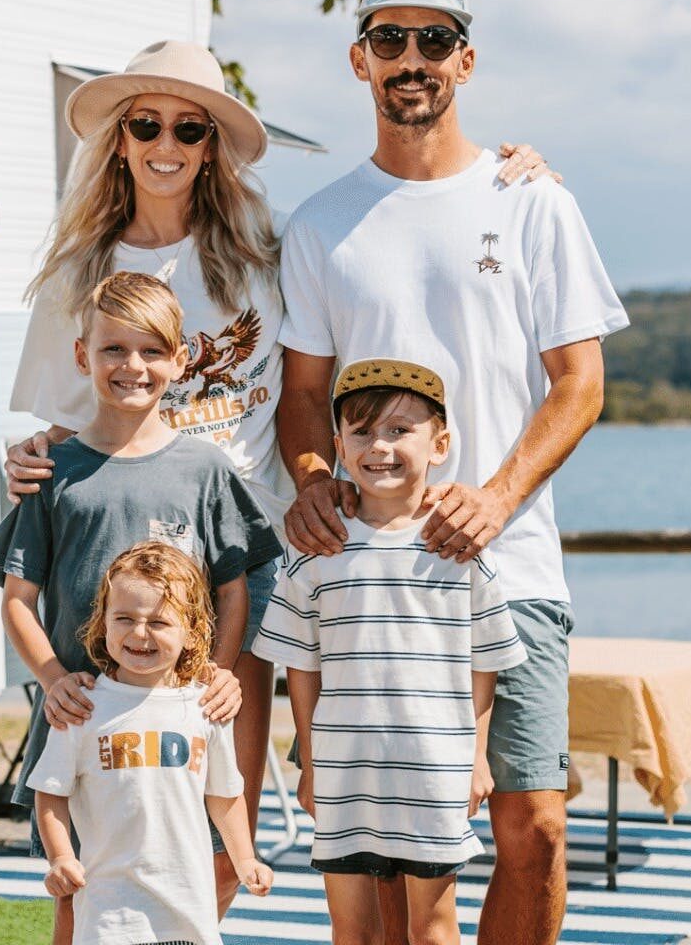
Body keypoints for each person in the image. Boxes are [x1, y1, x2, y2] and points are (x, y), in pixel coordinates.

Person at [1, 39, 555, 906]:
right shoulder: (79, 271)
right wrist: (28, 460)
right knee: (99, 821)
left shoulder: (265, 250)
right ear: (118, 138)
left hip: (236, 564)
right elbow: (58, 426)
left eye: (190, 126)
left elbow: (375, 272)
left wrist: (509, 173)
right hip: (111, 574)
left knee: (225, 818)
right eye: (145, 122)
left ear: (214, 144)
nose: (167, 142)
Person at [276, 0, 630, 945]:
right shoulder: (320, 224)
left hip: (508, 568)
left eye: (434, 41)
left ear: (465, 62)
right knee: (391, 860)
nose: (411, 60)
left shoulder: (532, 202)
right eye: (389, 40)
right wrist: (312, 483)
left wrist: (498, 496)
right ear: (359, 60)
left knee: (535, 827)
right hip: (375, 581)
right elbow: (303, 396)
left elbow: (580, 382)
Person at [0, 271, 283, 945]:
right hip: (84, 721)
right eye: (113, 350)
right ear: (83, 356)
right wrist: (55, 680)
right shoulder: (54, 472)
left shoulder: (205, 470)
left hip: (176, 724)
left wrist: (219, 671)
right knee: (76, 892)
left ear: (180, 360)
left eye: (150, 351)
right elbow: (18, 602)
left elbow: (235, 587)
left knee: (189, 880)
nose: (132, 367)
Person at [253, 360, 527, 945]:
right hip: (345, 771)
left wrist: (476, 759)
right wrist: (312, 761)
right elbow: (301, 668)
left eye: (400, 430)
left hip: (433, 772)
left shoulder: (457, 550)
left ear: (440, 444)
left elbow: (485, 664)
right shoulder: (316, 551)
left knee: (432, 928)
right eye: (361, 432)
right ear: (339, 446)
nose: (379, 446)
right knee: (353, 931)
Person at [31, 540, 274, 945]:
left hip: (188, 908)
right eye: (124, 618)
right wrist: (60, 857)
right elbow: (51, 792)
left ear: (193, 633)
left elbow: (224, 795)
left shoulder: (205, 707)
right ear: (103, 623)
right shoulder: (82, 707)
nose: (139, 633)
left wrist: (245, 858)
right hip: (110, 912)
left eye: (159, 622)